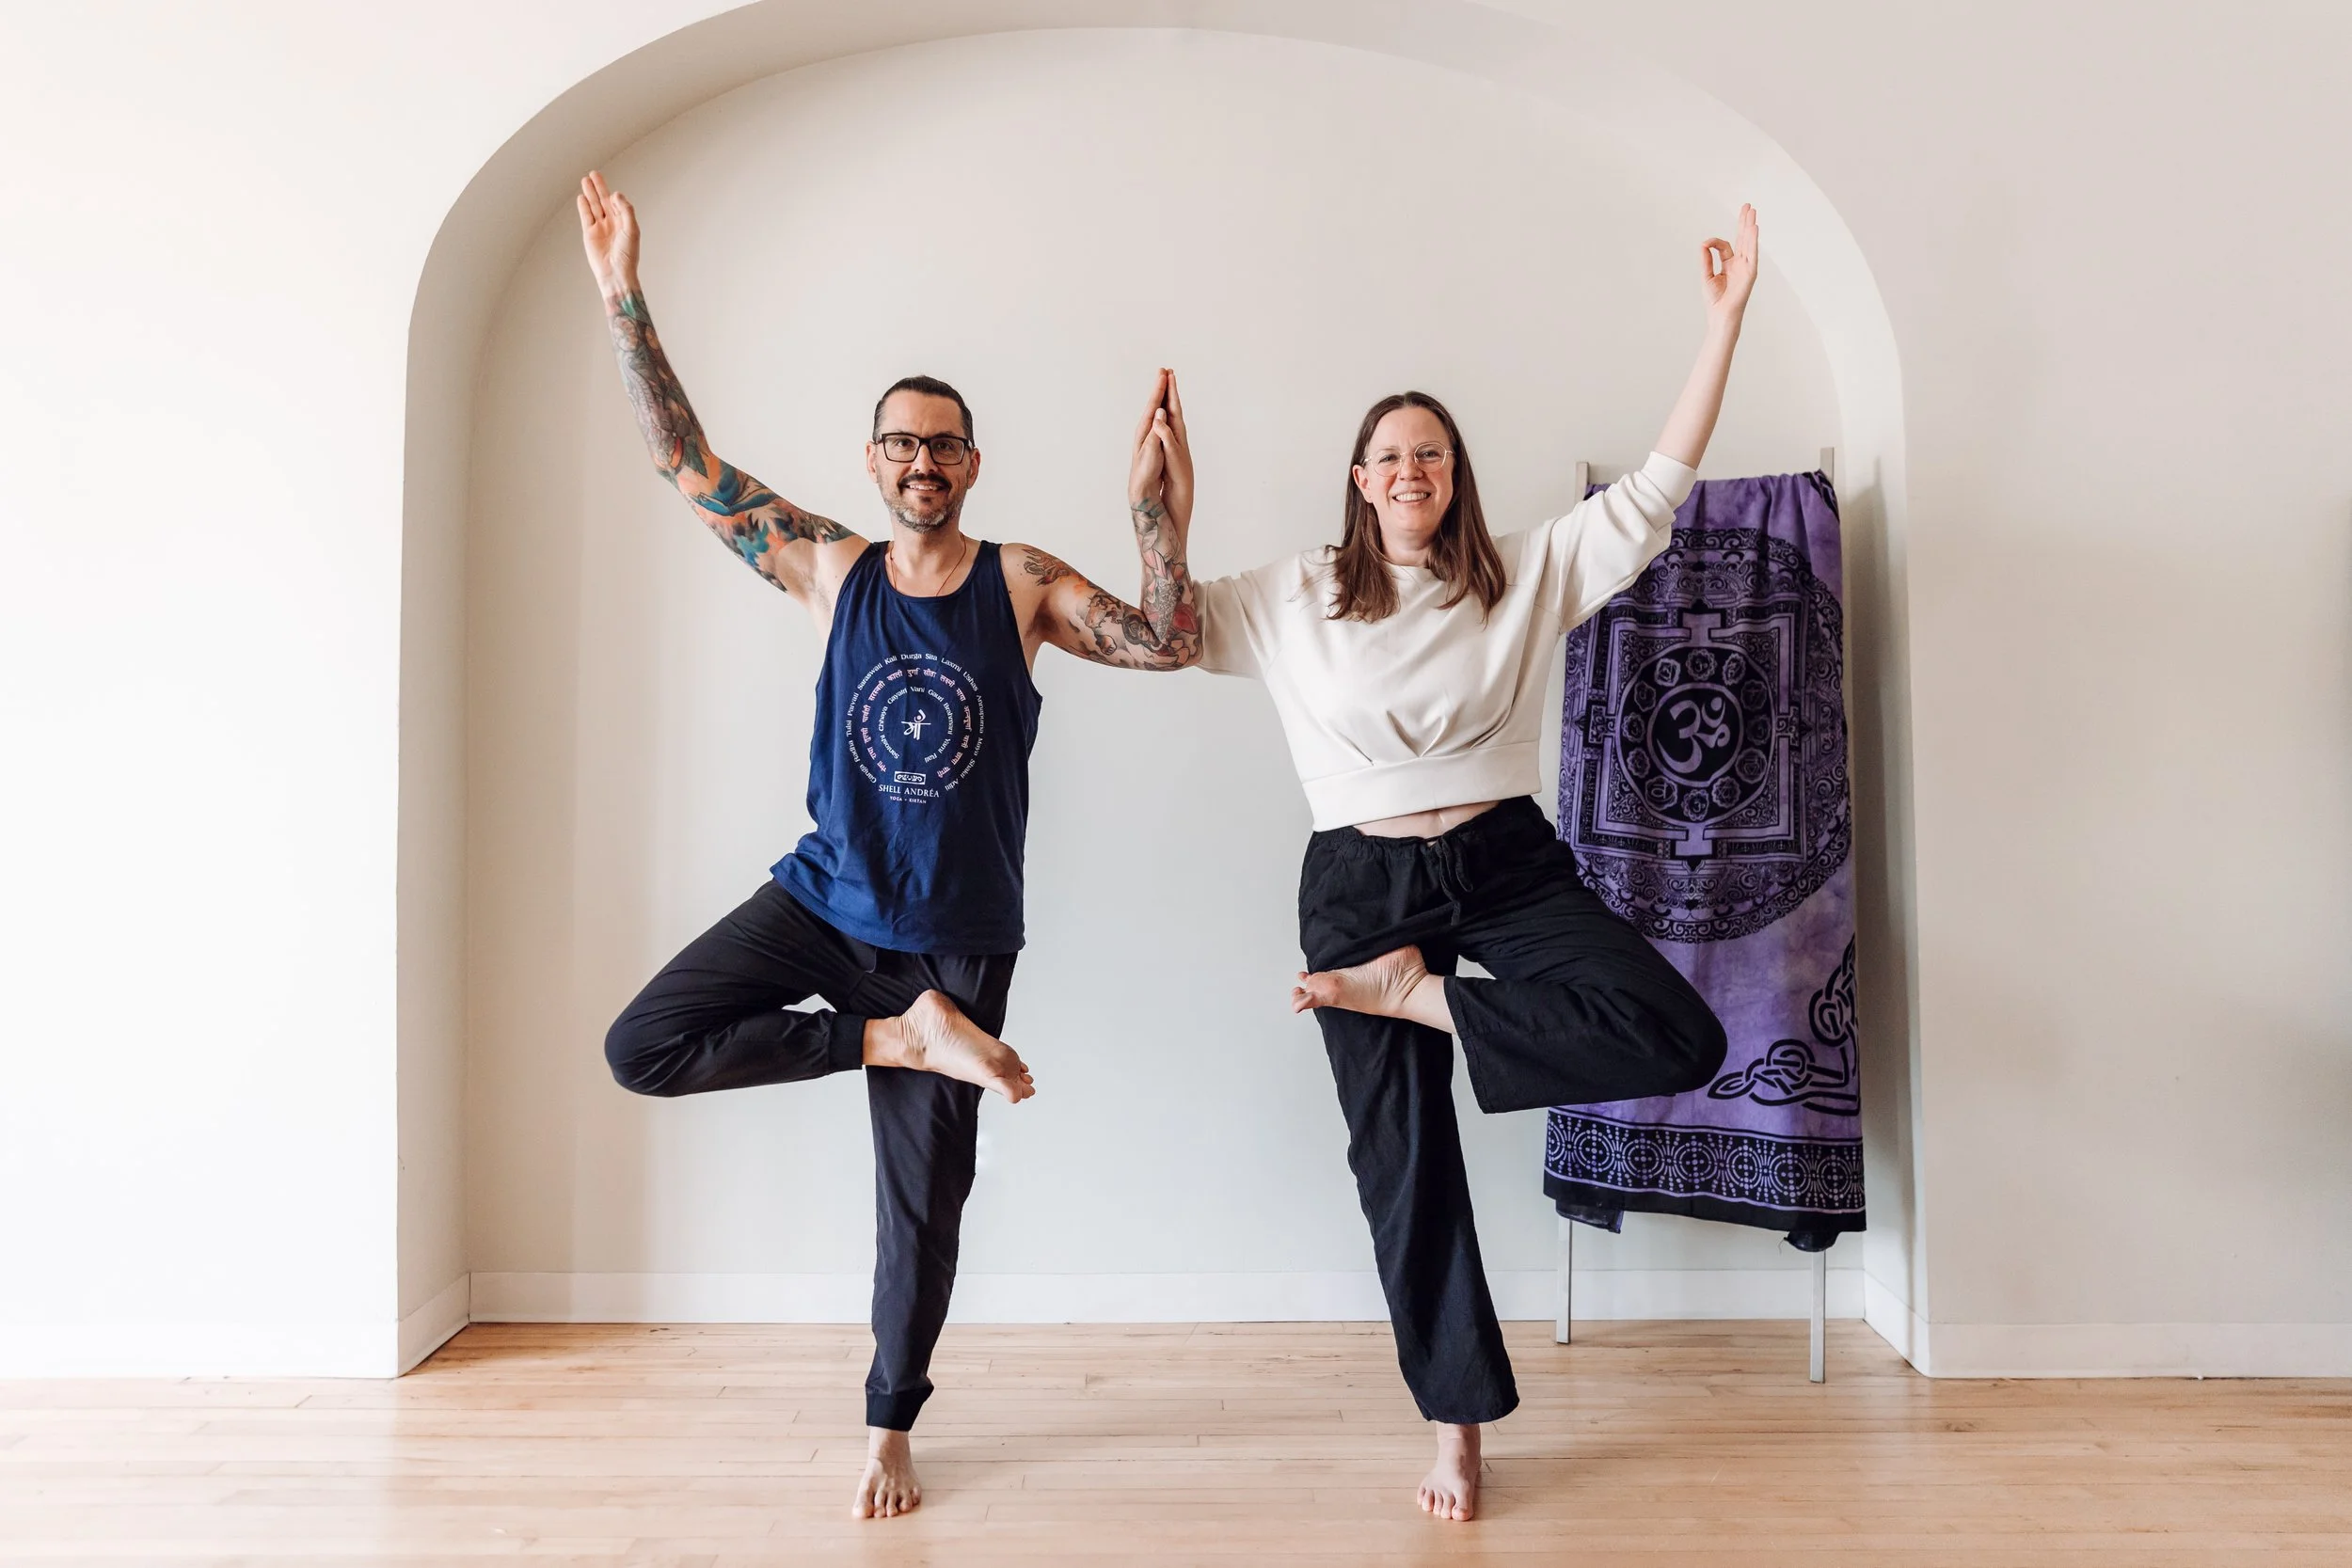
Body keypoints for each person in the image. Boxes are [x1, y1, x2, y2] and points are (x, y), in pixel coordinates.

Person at [572, 170, 1198, 1521]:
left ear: (972, 464)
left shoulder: (1017, 579)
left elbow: (1167, 642)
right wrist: (624, 293)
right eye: (901, 442)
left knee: (921, 1203)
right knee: (643, 1044)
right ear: (874, 460)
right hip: (824, 905)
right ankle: (891, 1032)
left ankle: (888, 1425)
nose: (923, 461)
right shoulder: (826, 566)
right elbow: (685, 466)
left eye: (946, 444)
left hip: (958, 930)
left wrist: (1162, 513)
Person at [1193, 207, 1763, 1522]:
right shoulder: (1290, 597)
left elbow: (1656, 490)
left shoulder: (1525, 572)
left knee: (1673, 1030)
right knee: (1404, 1160)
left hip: (1504, 859)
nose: (1411, 469)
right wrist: (1158, 513)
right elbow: (1165, 631)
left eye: (1431, 452)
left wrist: (1721, 327)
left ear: (1455, 473)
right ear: (1358, 476)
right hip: (1358, 879)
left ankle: (1424, 996)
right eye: (1390, 454)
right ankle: (1457, 1428)